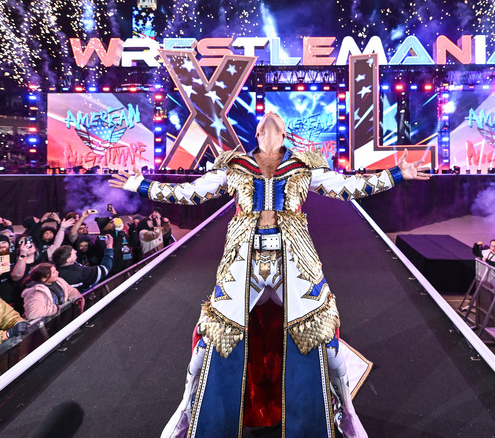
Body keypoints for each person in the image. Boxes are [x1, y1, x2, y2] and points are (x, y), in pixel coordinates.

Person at [110, 111, 430, 437]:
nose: (270, 120)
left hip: (293, 260)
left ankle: (344, 409)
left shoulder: (304, 165)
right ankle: (187, 409)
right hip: (243, 261)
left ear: (284, 131)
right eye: (264, 121)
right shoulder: (235, 165)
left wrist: (397, 174)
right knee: (211, 338)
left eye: (276, 120)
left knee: (325, 339)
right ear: (258, 132)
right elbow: (191, 193)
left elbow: (347, 186)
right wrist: (140, 184)